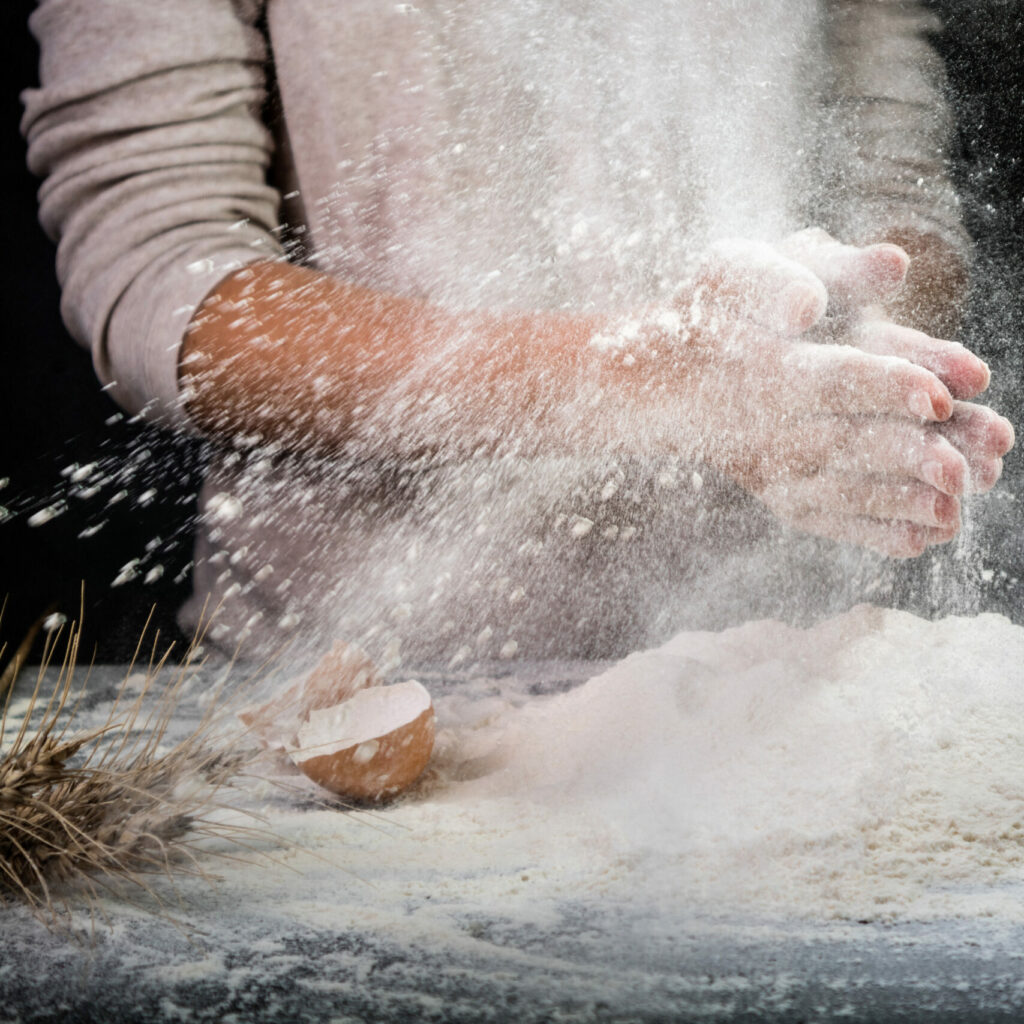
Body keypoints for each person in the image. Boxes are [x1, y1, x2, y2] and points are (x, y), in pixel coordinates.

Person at [22, 1, 1013, 666]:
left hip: (779, 675)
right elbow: (163, 274)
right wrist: (643, 382)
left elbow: (896, 195)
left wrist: (861, 332)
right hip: (362, 685)